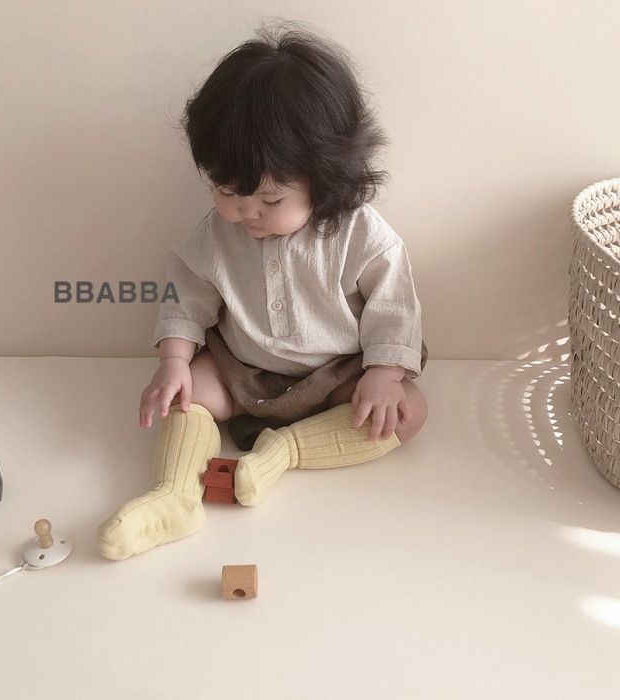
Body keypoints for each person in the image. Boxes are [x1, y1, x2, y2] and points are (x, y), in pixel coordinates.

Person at [97, 23, 428, 561]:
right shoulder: (215, 234)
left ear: (326, 179)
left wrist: (385, 375)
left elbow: (395, 308)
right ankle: (175, 497)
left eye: (270, 200)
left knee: (407, 413)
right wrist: (174, 361)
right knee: (188, 396)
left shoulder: (361, 234)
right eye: (226, 191)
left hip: (338, 375)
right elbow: (186, 295)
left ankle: (281, 454)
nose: (244, 211)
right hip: (241, 371)